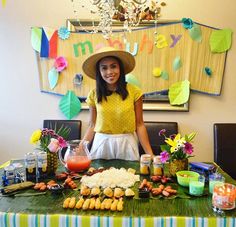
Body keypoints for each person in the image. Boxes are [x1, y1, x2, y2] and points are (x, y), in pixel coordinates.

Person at [81, 46, 154, 160]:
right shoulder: (94, 94)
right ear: (99, 72)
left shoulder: (134, 92)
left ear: (120, 68)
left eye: (113, 66)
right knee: (98, 176)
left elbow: (139, 125)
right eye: (104, 68)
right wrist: (80, 148)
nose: (109, 72)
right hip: (102, 143)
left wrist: (150, 154)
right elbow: (92, 125)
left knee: (129, 177)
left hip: (127, 143)